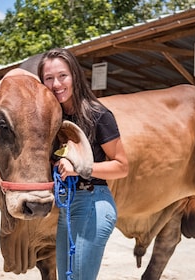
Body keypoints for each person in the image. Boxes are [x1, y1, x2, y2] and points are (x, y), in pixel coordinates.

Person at [37, 48, 129, 280]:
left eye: (62, 76)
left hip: (93, 204)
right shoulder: (55, 119)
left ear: (75, 76)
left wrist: (80, 168)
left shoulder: (98, 115)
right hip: (69, 207)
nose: (56, 83)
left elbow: (121, 166)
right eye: (48, 78)